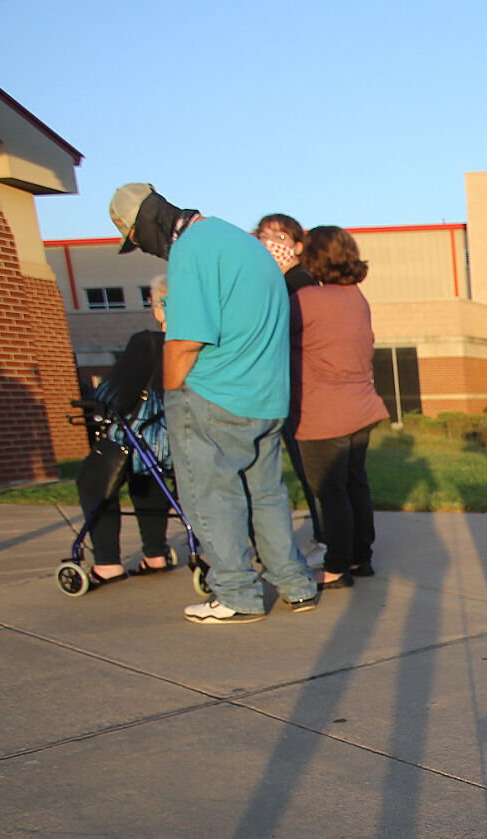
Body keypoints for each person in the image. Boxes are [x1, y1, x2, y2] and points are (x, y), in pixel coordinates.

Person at [109, 181, 318, 622]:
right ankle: (296, 585)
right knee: (266, 494)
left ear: (146, 222)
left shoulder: (191, 250)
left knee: (212, 496)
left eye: (135, 239)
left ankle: (237, 594)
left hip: (214, 394)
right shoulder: (242, 243)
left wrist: (170, 394)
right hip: (267, 396)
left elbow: (184, 340)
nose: (144, 249)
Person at [291, 227, 389, 589]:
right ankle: (361, 558)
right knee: (354, 487)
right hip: (361, 408)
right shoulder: (355, 297)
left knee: (332, 494)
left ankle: (335, 568)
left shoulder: (306, 300)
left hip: (324, 414)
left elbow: (269, 331)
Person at [77, 275, 174, 586]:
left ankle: (107, 563)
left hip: (140, 436)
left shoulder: (146, 343)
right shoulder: (199, 346)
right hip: (174, 441)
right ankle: (155, 553)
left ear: (160, 307)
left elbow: (112, 395)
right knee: (149, 474)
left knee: (93, 480)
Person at [256, 213, 321, 555]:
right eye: (263, 236)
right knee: (304, 469)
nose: (269, 244)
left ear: (297, 246)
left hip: (302, 391)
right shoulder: (275, 283)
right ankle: (326, 536)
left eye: (278, 238)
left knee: (313, 472)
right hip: (287, 389)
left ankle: (327, 539)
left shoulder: (299, 283)